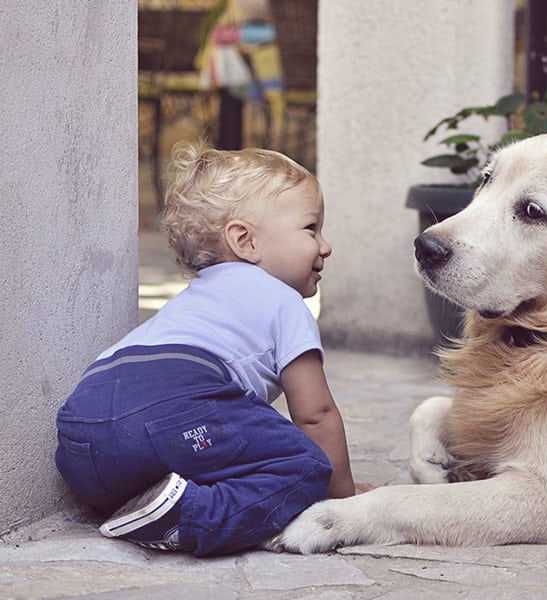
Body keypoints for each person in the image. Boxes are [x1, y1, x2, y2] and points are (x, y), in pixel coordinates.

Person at [55, 142, 359, 556]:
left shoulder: (194, 299)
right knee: (305, 467)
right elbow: (315, 414)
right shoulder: (283, 300)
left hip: (81, 430)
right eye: (311, 229)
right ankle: (190, 517)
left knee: (210, 443)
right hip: (174, 401)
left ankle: (148, 503)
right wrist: (343, 497)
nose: (325, 247)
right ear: (244, 241)